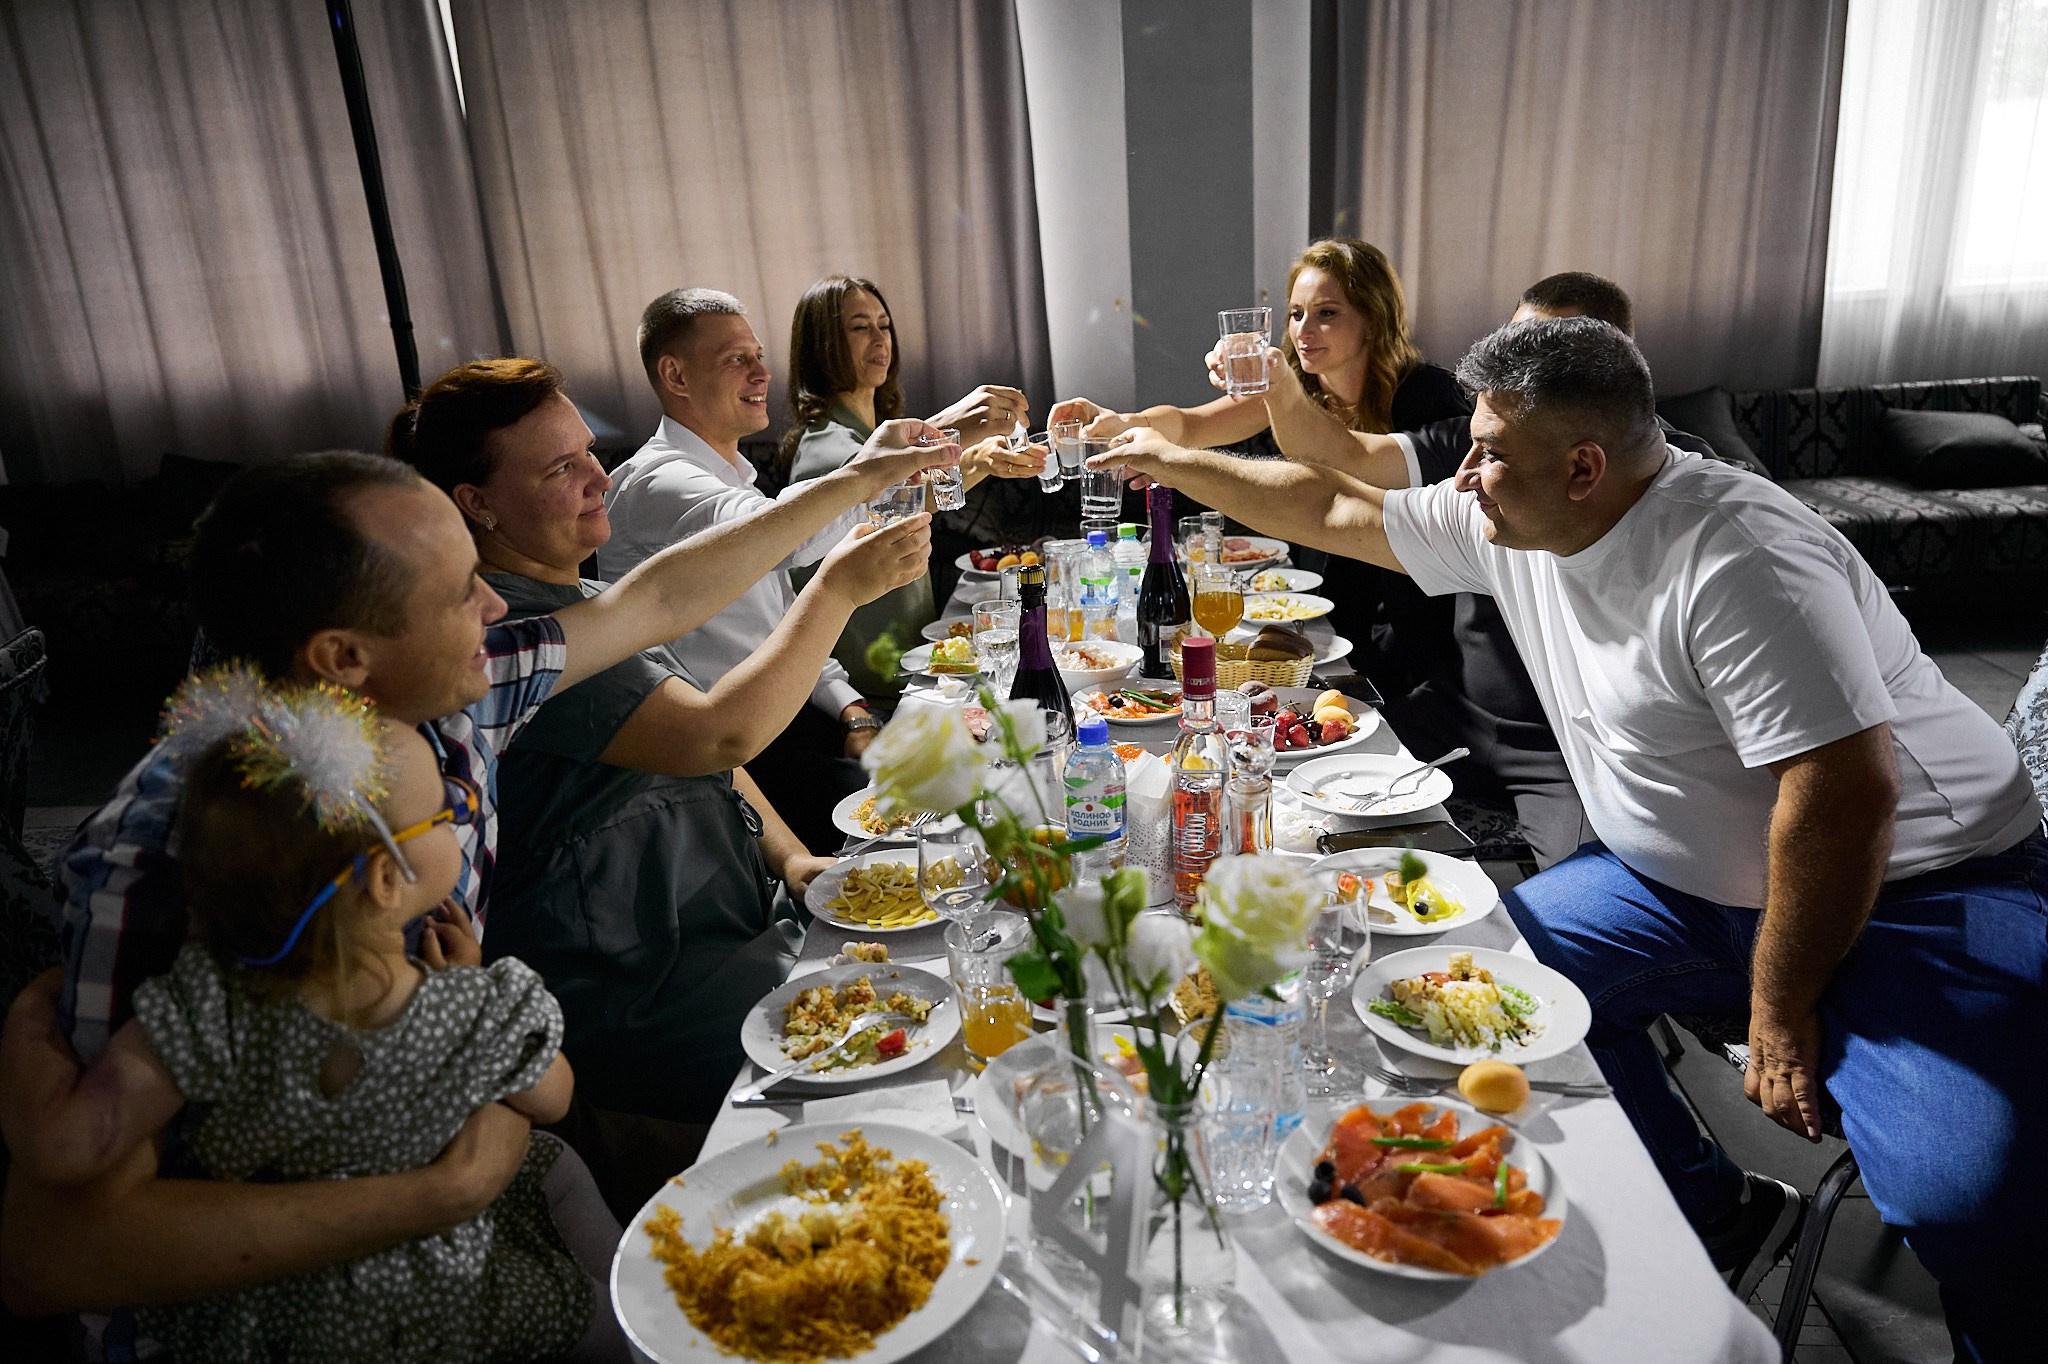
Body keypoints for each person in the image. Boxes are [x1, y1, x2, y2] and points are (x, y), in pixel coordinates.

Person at [1096, 316, 2045, 1360]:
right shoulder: (1518, 514)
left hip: (1914, 888)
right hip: (1684, 888)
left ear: (1584, 465)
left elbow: (1840, 794)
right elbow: (1333, 501)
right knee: (1451, 992)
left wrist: (1775, 1010)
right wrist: (1171, 460)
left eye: (1488, 451)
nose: (1462, 475)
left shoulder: (1735, 554)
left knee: (1969, 1201)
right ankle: (1718, 1208)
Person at [4, 420, 946, 1327]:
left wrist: (859, 481)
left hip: (482, 1205)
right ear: (343, 660)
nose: (496, 606)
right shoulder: (173, 846)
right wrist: (443, 1190)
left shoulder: (446, 685)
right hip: (300, 1310)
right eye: (460, 590)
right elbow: (58, 1258)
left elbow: (648, 603)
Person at [394, 357, 925, 1148]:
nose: (596, 478)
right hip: (642, 984)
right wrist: (837, 590)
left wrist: (788, 859)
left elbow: (711, 737)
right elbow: (716, 732)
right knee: (905, 1044)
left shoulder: (580, 600)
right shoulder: (501, 642)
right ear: (477, 503)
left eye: (588, 453)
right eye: (561, 467)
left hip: (736, 922)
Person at [7, 693, 626, 1362]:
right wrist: (468, 984)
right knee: (581, 1252)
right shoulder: (475, 1006)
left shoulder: (204, 1007)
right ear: (388, 881)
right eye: (448, 814)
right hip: (447, 1303)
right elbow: (554, 1098)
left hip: (270, 1317)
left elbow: (70, 1144)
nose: (460, 821)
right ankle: (640, 1320)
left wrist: (28, 1020)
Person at [1240, 271, 1715, 866]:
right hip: (1454, 708)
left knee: (1562, 889)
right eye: (1512, 346)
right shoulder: (1479, 438)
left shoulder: (1678, 484)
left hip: (1556, 749)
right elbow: (1339, 472)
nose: (1516, 370)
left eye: (1546, 355)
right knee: (1300, 798)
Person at [1050, 237, 1470, 694]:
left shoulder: (1426, 393)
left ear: (1372, 319)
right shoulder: (1300, 387)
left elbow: (1350, 460)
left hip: (1412, 608)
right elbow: (1191, 426)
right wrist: (1123, 421)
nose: (1304, 331)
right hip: (1328, 601)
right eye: (1296, 314)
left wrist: (1278, 391)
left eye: (1327, 313)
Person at [598, 287, 937, 850]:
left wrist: (849, 708)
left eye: (759, 355)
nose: (761, 373)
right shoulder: (655, 481)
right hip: (727, 763)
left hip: (793, 721)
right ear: (675, 377)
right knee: (926, 831)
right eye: (737, 360)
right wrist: (876, 473)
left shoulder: (733, 478)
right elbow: (785, 540)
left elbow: (782, 617)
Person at [775, 274, 1043, 697]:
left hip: (912, 655)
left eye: (884, 325)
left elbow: (911, 498)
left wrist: (981, 460)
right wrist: (949, 431)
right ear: (821, 345)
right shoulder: (826, 447)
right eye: (860, 327)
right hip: (870, 683)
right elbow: (872, 493)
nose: (880, 339)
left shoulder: (865, 433)